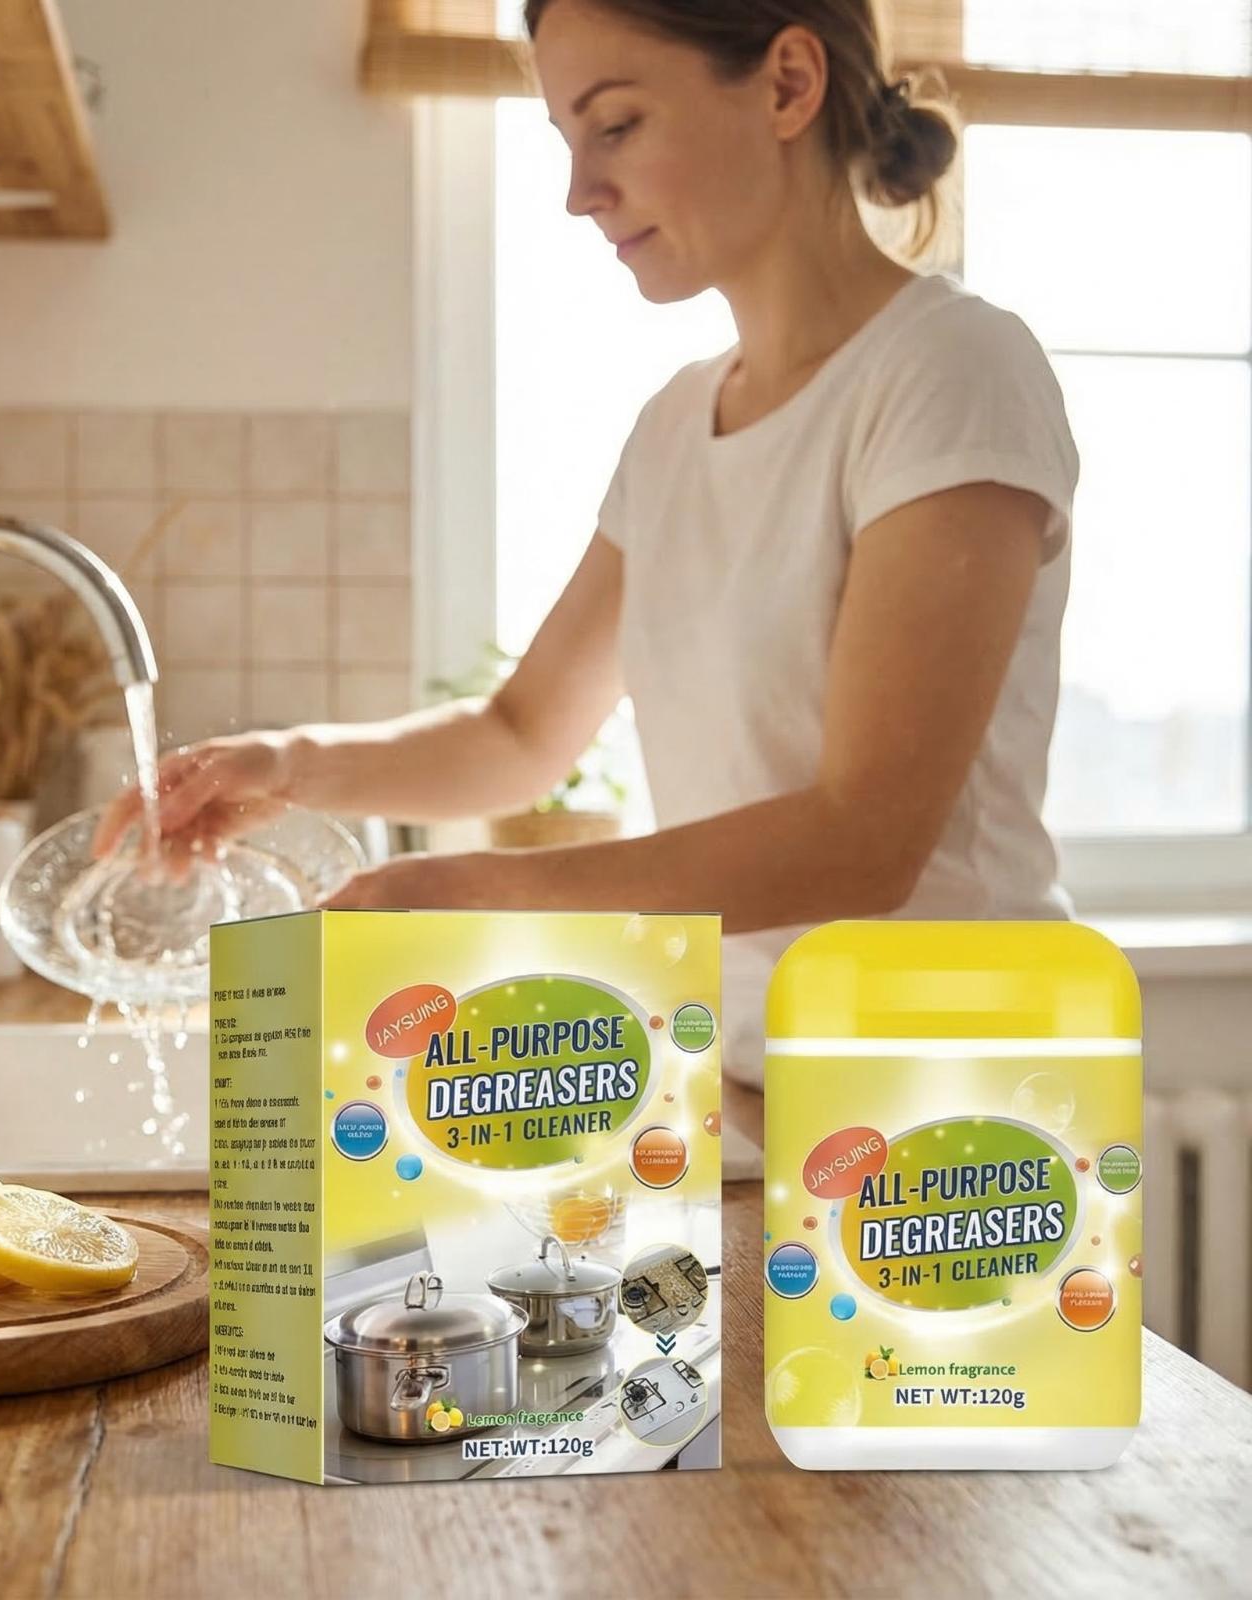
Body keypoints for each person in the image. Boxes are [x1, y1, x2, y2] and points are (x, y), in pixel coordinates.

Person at [97, 0, 1078, 1087]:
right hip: (757, 1073)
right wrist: (287, 766)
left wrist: (465, 895)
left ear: (788, 84)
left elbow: (865, 841)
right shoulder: (676, 425)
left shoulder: (950, 372)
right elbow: (520, 733)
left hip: (957, 1095)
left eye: (615, 127)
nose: (580, 193)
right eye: (569, 140)